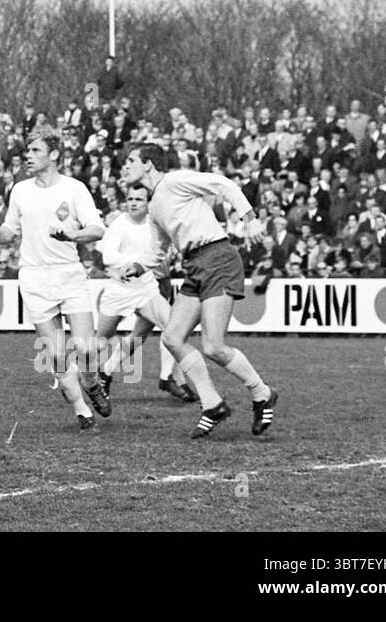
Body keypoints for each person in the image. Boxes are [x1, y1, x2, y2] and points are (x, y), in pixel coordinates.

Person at [118, 145, 278, 439]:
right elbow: (158, 251)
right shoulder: (154, 207)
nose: (125, 167)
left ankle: (261, 392)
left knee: (214, 346)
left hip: (218, 258)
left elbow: (223, 184)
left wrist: (250, 217)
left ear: (149, 165)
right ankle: (213, 404)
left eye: (131, 161)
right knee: (172, 337)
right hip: (195, 265)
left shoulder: (175, 180)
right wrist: (138, 266)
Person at [0, 129, 109, 432]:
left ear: (53, 155)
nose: (28, 155)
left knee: (87, 348)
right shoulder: (20, 190)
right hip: (34, 277)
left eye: (36, 150)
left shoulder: (75, 188)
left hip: (68, 272)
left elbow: (97, 229)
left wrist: (73, 234)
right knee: (56, 353)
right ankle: (82, 411)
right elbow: (11, 228)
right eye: (27, 150)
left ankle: (92, 383)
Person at [93, 183, 197, 404]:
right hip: (120, 289)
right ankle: (93, 375)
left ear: (148, 203)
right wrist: (134, 264)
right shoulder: (119, 224)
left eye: (138, 199)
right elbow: (108, 257)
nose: (133, 203)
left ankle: (167, 376)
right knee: (101, 341)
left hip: (146, 286)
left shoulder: (154, 222)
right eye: (130, 199)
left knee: (173, 327)